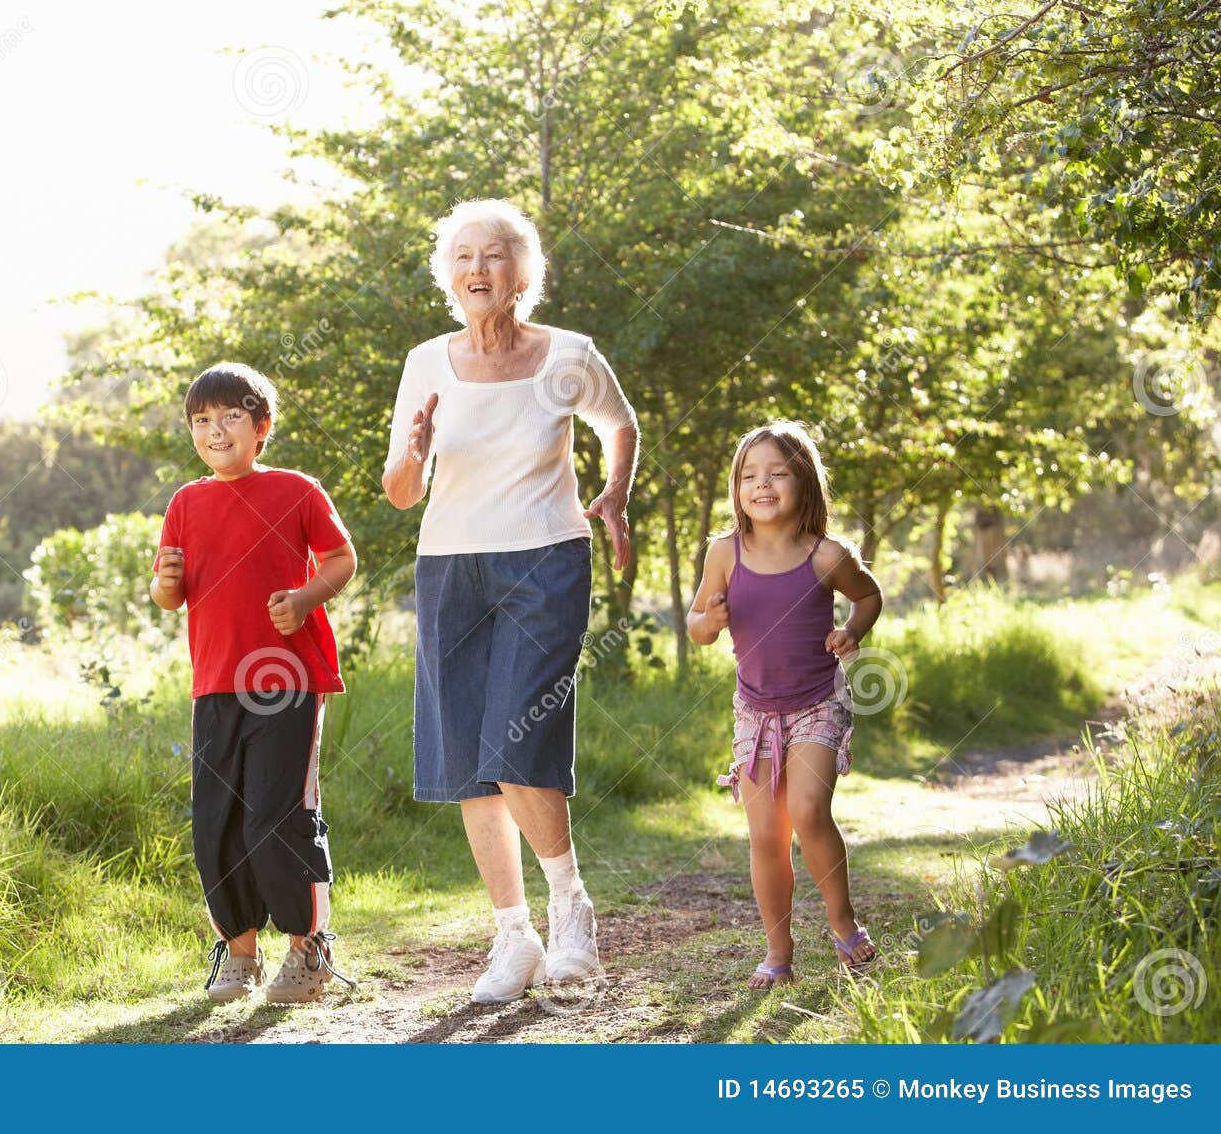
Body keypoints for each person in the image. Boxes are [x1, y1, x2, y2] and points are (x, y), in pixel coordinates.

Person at [382, 198, 639, 1004]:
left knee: (517, 734)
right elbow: (397, 492)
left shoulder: (568, 353)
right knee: (467, 755)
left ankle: (570, 907)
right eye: (462, 257)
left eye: (494, 255)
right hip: (450, 564)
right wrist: (414, 457)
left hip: (546, 557)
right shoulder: (426, 361)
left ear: (523, 274)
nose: (477, 268)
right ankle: (512, 933)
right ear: (447, 278)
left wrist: (616, 493)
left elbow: (619, 421)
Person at [151, 362, 358, 1005]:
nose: (215, 431)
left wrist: (303, 599)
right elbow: (168, 596)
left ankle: (307, 950)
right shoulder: (186, 501)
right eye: (202, 421)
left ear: (260, 427)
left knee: (279, 815)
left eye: (230, 417)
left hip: (286, 680)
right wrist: (162, 581)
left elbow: (342, 559)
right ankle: (239, 953)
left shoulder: (296, 490)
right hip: (213, 684)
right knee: (217, 819)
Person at [687, 420, 884, 990]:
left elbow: (867, 595)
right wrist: (710, 620)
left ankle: (843, 922)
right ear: (736, 488)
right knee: (765, 835)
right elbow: (698, 627)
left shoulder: (825, 555)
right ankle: (779, 950)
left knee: (807, 811)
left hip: (817, 702)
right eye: (749, 475)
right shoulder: (724, 553)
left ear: (805, 482)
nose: (762, 484)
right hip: (755, 711)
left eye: (777, 473)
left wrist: (853, 632)